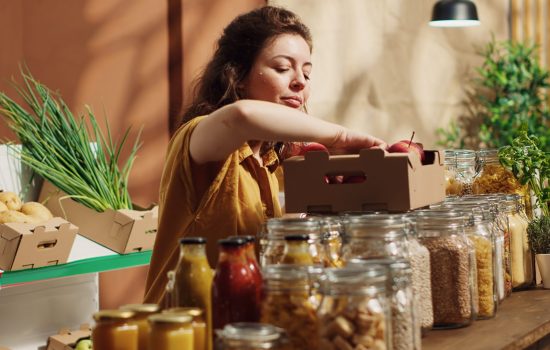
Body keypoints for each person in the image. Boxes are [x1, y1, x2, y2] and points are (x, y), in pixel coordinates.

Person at [144, 5, 386, 304]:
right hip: (182, 333)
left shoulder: (276, 163)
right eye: (283, 68)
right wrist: (340, 136)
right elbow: (241, 116)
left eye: (307, 73)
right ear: (238, 75)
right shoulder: (200, 138)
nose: (300, 82)